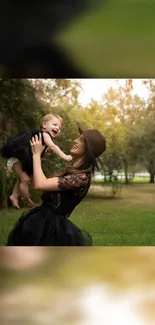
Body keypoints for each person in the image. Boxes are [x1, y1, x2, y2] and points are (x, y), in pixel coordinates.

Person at [6, 123, 106, 246]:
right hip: (41, 218)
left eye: (81, 140)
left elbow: (40, 185)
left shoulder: (81, 177)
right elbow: (39, 182)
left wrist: (36, 155)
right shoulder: (71, 170)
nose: (75, 141)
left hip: (50, 228)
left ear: (89, 149)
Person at [1, 113, 72, 209]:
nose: (58, 128)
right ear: (44, 125)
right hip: (16, 159)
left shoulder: (42, 137)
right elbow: (53, 147)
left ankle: (14, 196)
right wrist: (65, 156)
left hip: (22, 161)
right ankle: (27, 201)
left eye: (59, 128)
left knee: (22, 179)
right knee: (25, 179)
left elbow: (50, 149)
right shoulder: (45, 135)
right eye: (55, 125)